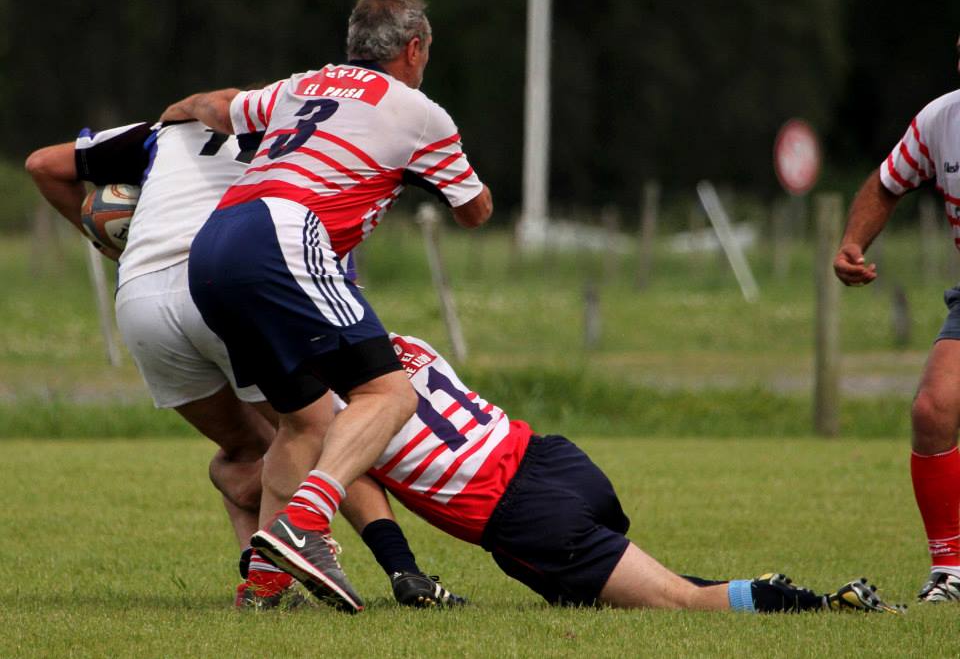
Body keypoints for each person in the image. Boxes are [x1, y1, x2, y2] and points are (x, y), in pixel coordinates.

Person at [24, 120, 466, 610]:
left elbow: (43, 164)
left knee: (245, 451)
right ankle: (399, 569)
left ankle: (260, 585)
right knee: (318, 431)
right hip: (225, 282)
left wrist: (107, 246)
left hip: (139, 297)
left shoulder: (167, 129)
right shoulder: (305, 140)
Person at [159, 0, 492, 611]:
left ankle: (265, 580)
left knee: (304, 420)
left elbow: (219, 106)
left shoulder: (301, 85)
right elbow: (474, 212)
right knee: (389, 392)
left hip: (213, 246)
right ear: (414, 49)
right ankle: (307, 522)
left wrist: (174, 110)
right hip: (284, 235)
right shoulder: (420, 111)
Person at [339, 331, 903, 614]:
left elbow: (348, 477)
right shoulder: (407, 343)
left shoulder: (337, 406)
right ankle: (739, 589)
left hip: (524, 513)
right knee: (597, 591)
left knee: (676, 601)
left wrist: (400, 568)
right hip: (558, 460)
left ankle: (816, 604)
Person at [833, 34, 960, 603]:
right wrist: (851, 243)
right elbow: (887, 184)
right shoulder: (941, 120)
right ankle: (951, 571)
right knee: (933, 409)